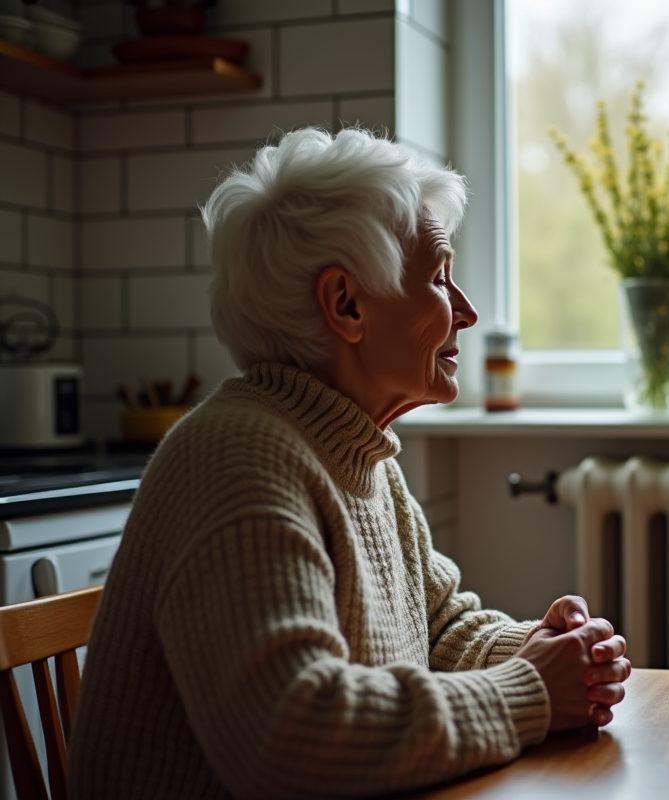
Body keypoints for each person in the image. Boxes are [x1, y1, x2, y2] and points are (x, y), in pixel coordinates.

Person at [68, 127, 631, 800]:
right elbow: (294, 732)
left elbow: (440, 625)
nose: (468, 312)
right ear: (346, 304)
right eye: (440, 278)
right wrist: (531, 689)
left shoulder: (357, 452)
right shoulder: (236, 458)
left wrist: (549, 652)